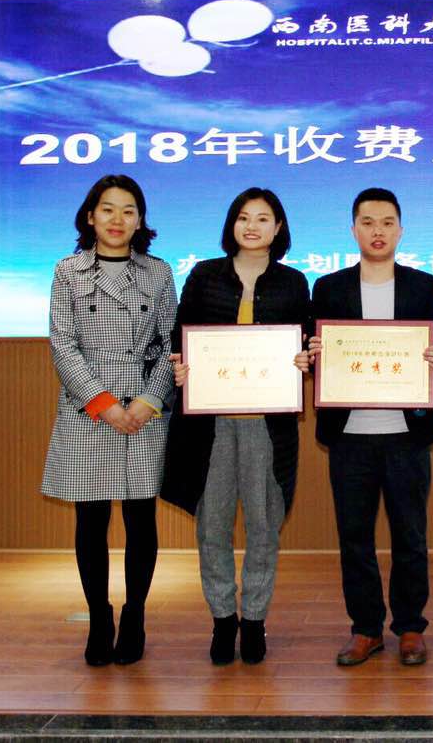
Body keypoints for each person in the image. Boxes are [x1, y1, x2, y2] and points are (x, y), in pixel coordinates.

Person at [161, 188, 310, 666]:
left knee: (265, 527)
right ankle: (223, 619)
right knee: (213, 527)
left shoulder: (293, 282)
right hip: (211, 426)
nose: (252, 226)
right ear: (231, 224)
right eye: (244, 217)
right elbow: (180, 336)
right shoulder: (204, 275)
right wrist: (180, 364)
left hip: (269, 427)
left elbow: (306, 342)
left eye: (263, 219)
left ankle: (256, 620)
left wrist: (304, 359)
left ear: (278, 228)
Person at [307, 188, 433, 667]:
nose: (377, 231)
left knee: (410, 535)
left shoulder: (424, 286)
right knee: (355, 538)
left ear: (401, 230)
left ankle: (410, 627)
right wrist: (312, 355)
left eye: (387, 222)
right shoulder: (328, 288)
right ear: (353, 230)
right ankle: (365, 628)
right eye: (367, 222)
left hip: (407, 435)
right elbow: (314, 351)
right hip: (349, 435)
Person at [41, 174, 176, 667]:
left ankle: (135, 615)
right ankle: (99, 618)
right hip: (89, 412)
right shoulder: (68, 270)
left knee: (141, 518)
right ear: (90, 216)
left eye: (128, 211)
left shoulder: (158, 273)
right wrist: (103, 402)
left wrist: (148, 399)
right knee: (91, 519)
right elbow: (62, 344)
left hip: (144, 411)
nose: (118, 219)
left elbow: (172, 344)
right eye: (108, 209)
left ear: (140, 220)